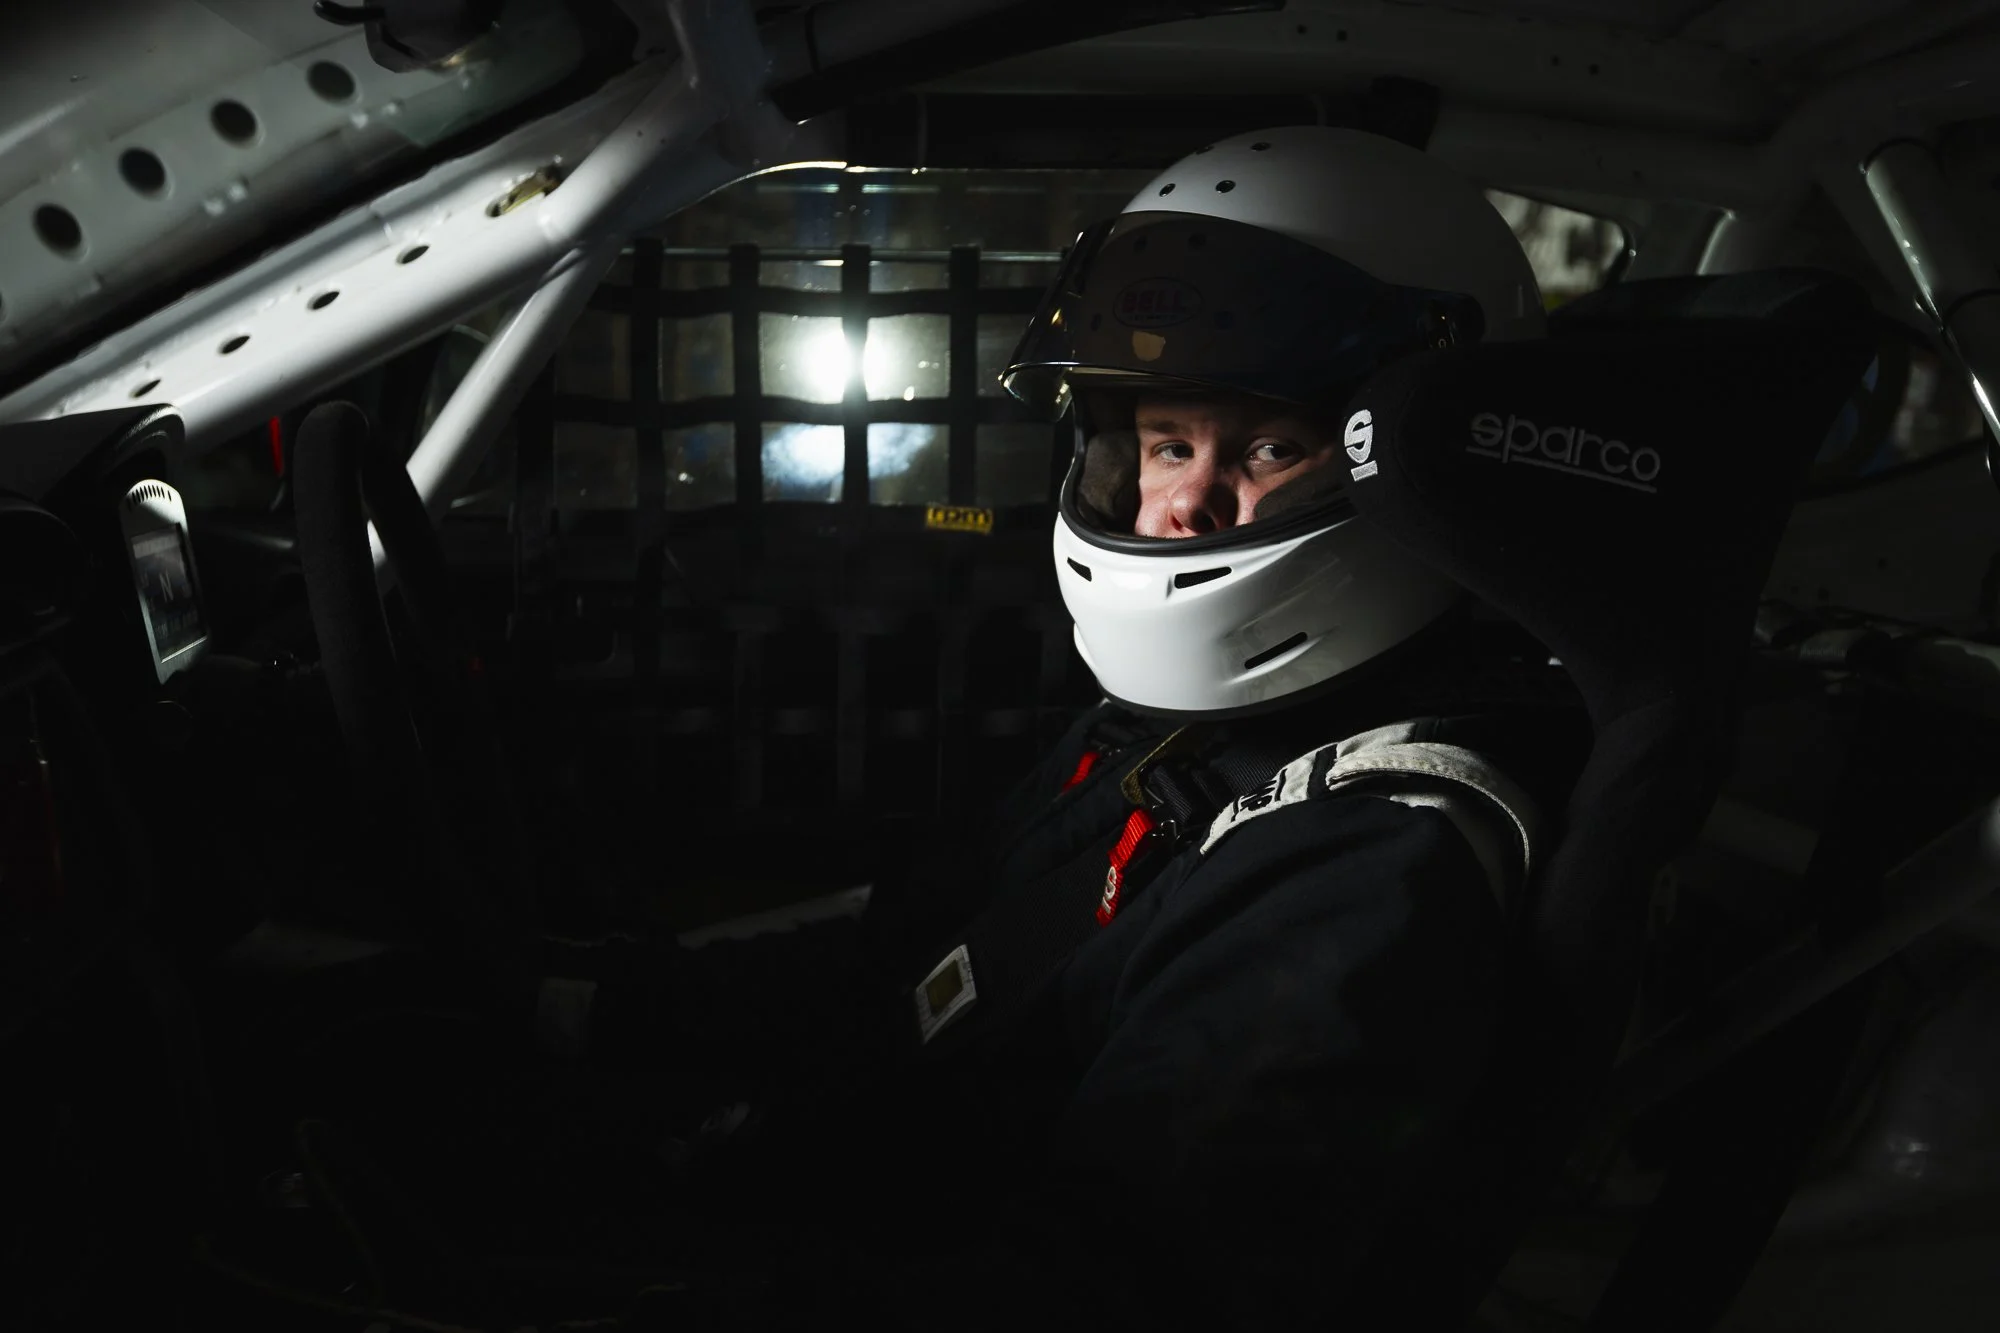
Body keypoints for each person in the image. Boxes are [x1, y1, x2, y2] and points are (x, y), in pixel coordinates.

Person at [551, 126, 1588, 1330]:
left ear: (1397, 467)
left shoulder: (1367, 855)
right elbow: (905, 956)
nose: (1186, 505)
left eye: (1266, 448)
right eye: (1163, 445)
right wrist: (588, 1010)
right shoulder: (1166, 734)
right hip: (838, 1184)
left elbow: (1109, 1289)